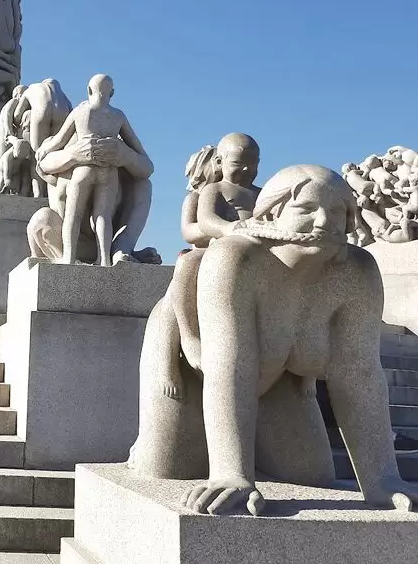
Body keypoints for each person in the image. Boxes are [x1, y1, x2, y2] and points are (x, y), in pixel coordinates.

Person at [133, 164, 418, 516]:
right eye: (307, 209)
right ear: (274, 212)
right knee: (167, 468)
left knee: (310, 474)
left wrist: (381, 480)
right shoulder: (237, 259)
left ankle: (252, 448)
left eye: (336, 211)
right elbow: (229, 365)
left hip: (276, 381)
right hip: (190, 368)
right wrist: (231, 474)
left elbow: (359, 375)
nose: (323, 222)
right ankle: (219, 453)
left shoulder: (356, 273)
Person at [154, 133, 264, 400]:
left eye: (254, 163)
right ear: (219, 162)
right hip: (211, 254)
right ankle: (188, 338)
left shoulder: (261, 194)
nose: (248, 170)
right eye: (239, 163)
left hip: (254, 258)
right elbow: (197, 226)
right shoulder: (211, 192)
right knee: (188, 266)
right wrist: (228, 230)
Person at [38, 74, 147, 266]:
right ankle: (104, 260)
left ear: (88, 90)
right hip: (108, 171)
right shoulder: (118, 116)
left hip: (83, 170)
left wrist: (44, 148)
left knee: (74, 214)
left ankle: (69, 258)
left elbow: (58, 140)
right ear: (112, 93)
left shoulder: (80, 112)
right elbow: (138, 146)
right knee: (103, 215)